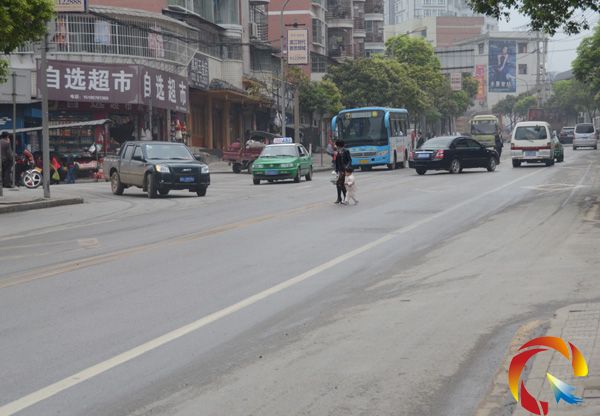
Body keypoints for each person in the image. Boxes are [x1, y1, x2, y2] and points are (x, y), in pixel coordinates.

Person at [334, 140, 351, 204]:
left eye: (337, 145)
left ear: (340, 145)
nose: (336, 146)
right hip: (339, 170)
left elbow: (349, 160)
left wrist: (347, 166)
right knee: (338, 184)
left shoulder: (346, 151)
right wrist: (336, 169)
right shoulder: (337, 152)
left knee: (341, 184)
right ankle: (339, 198)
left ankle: (344, 198)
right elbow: (336, 161)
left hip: (344, 170)